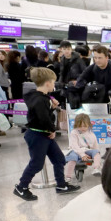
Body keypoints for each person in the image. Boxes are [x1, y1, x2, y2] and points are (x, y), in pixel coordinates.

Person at [13, 68, 80, 201]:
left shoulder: (38, 97)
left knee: (59, 159)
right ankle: (21, 187)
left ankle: (61, 185)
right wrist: (52, 130)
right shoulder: (40, 100)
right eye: (53, 82)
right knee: (37, 163)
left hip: (43, 134)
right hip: (38, 135)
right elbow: (44, 119)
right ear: (48, 83)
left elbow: (44, 115)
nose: (54, 85)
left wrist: (52, 108)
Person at [75, 45, 111, 136]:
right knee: (105, 126)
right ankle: (108, 147)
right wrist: (79, 88)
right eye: (95, 57)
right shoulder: (93, 68)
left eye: (100, 58)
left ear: (106, 57)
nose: (97, 60)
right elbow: (82, 78)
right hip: (102, 101)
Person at [64, 113, 102, 180]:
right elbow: (75, 146)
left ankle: (96, 168)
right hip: (75, 150)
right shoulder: (74, 133)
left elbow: (95, 145)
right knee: (72, 157)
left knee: (96, 152)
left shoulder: (91, 133)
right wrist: (82, 155)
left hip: (87, 150)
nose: (82, 128)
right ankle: (68, 176)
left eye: (84, 126)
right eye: (80, 126)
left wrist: (94, 154)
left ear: (88, 125)